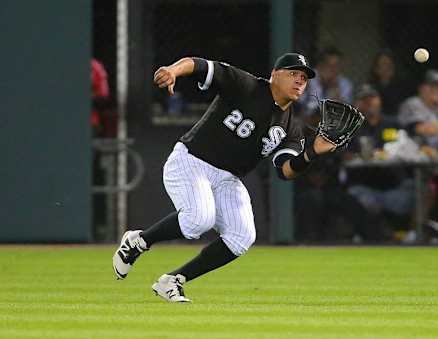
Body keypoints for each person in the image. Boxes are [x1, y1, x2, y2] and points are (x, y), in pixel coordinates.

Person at [112, 53, 343, 303]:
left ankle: (172, 281)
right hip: (192, 161)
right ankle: (138, 241)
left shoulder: (290, 127)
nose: (299, 81)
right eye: (293, 74)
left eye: (304, 78)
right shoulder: (247, 85)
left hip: (228, 178)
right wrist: (173, 70)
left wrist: (312, 152)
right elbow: (199, 65)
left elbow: (285, 170)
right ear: (275, 74)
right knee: (198, 220)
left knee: (242, 236)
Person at [346, 84, 414, 227]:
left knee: (416, 189)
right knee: (357, 197)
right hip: (364, 186)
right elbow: (344, 156)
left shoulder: (393, 123)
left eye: (372, 98)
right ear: (357, 104)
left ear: (379, 101)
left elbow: (408, 147)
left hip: (393, 185)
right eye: (364, 99)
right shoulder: (350, 128)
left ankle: (415, 235)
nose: (369, 102)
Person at [297, 47, 354, 120]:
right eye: (329, 65)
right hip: (307, 119)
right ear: (320, 65)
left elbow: (346, 110)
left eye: (336, 65)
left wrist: (334, 89)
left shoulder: (345, 84)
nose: (333, 69)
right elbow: (299, 103)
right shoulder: (309, 78)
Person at [368, 49, 407, 116]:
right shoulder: (371, 88)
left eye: (390, 64)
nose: (388, 67)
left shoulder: (402, 86)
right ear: (376, 69)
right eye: (384, 64)